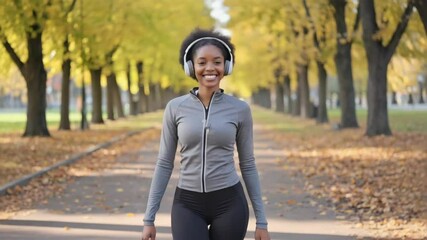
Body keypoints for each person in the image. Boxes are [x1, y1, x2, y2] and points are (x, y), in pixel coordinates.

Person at [141, 27, 270, 240]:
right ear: (190, 66)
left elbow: (248, 164)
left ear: (226, 66)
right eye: (202, 62)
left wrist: (262, 222)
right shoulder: (175, 108)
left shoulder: (240, 109)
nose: (210, 68)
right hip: (187, 204)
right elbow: (164, 162)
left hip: (230, 203)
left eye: (217, 62)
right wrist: (149, 219)